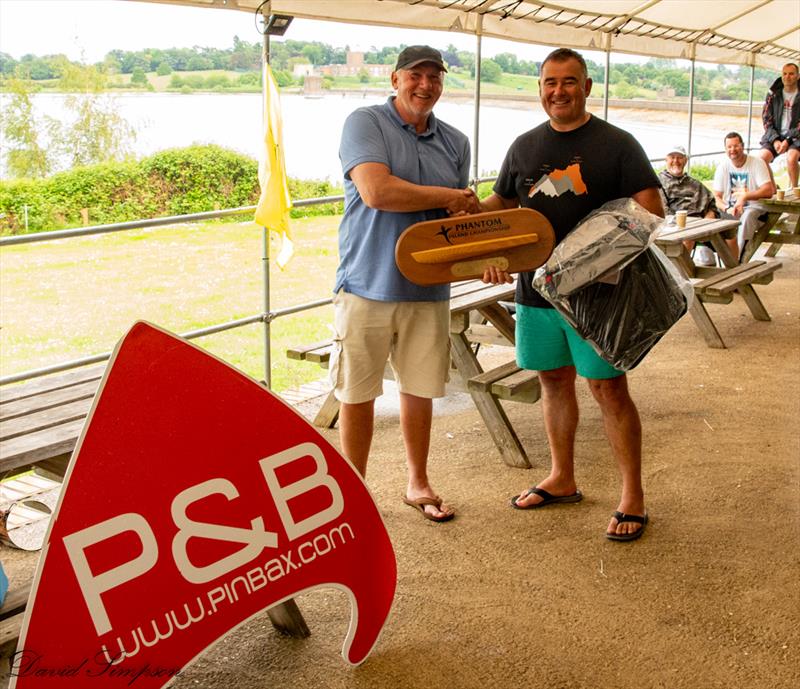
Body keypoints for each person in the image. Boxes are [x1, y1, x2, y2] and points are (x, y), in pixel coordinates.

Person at [479, 48, 663, 542]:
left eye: (568, 81)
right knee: (553, 382)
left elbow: (650, 209)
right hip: (535, 293)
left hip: (598, 298)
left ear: (586, 86)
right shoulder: (523, 146)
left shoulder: (617, 143)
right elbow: (501, 204)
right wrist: (478, 240)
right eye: (549, 82)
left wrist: (594, 257)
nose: (558, 91)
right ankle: (562, 478)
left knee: (607, 389)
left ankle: (633, 496)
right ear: (539, 88)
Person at [331, 45, 479, 522]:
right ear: (395, 79)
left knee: (420, 390)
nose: (426, 85)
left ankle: (418, 482)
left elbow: (456, 221)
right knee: (357, 392)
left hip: (428, 286)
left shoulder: (455, 142)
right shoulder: (365, 122)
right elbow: (377, 191)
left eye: (435, 77)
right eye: (416, 75)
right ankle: (355, 491)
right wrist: (451, 196)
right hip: (365, 284)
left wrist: (484, 258)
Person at [658, 144, 726, 265]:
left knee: (730, 234)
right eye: (672, 157)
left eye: (679, 157)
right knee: (687, 236)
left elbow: (712, 204)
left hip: (699, 225)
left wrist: (706, 221)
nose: (676, 161)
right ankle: (680, 274)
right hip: (675, 227)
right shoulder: (659, 183)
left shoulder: (694, 183)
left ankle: (732, 270)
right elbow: (663, 212)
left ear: (685, 160)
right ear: (666, 160)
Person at [713, 132, 774, 258]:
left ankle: (738, 260)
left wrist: (745, 197)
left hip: (755, 210)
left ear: (743, 146)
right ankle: (709, 258)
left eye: (736, 146)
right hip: (731, 210)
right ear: (725, 149)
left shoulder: (757, 163)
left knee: (747, 216)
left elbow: (769, 190)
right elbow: (716, 196)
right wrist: (727, 208)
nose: (733, 150)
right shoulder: (723, 167)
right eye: (729, 147)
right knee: (711, 217)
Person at [757, 63, 799, 189]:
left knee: (791, 158)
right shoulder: (773, 94)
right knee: (761, 159)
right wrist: (775, 139)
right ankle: (774, 190)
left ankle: (795, 191)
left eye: (791, 74)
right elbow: (766, 119)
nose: (787, 77)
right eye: (785, 74)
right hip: (775, 134)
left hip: (796, 136)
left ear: (798, 76)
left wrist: (788, 140)